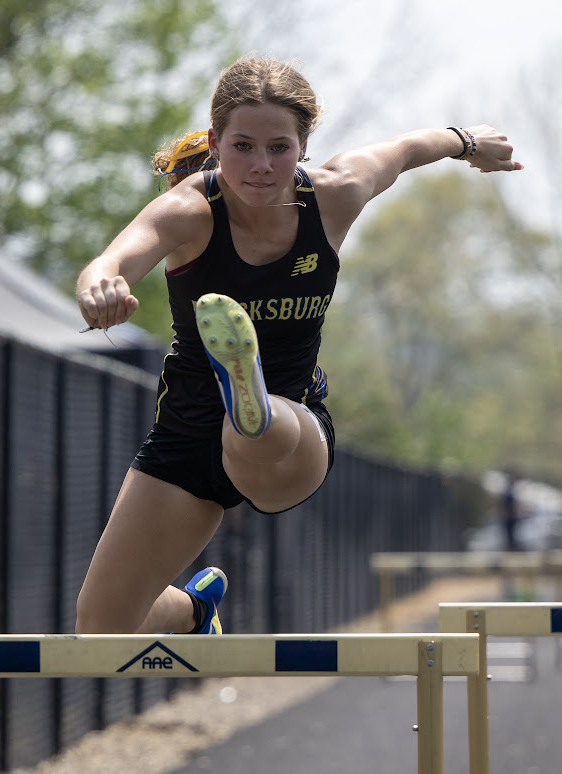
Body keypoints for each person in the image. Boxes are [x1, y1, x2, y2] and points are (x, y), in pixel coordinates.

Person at [75, 56, 523, 635]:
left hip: (293, 433)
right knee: (99, 629)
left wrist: (468, 142)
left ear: (304, 144)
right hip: (185, 439)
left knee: (254, 430)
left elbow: (409, 148)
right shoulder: (188, 210)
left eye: (279, 148)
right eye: (242, 146)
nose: (261, 166)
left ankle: (250, 399)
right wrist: (101, 289)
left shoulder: (335, 195)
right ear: (215, 143)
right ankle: (193, 610)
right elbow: (110, 261)